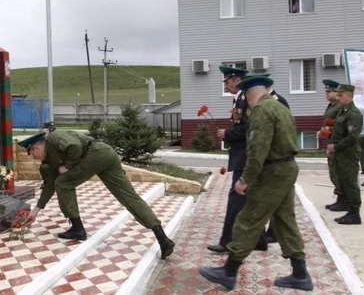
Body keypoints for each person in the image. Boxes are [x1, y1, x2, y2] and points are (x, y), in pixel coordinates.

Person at [199, 75, 313, 292]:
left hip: (272, 172)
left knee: (249, 218)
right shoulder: (280, 106)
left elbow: (258, 149)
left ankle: (229, 271)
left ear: (250, 95)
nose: (247, 103)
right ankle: (300, 274)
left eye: (246, 98)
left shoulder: (261, 111)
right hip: (287, 169)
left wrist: (245, 179)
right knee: (284, 220)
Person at [17, 129, 176, 260]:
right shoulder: (48, 162)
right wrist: (35, 211)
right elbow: (49, 186)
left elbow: (75, 147)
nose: (34, 158)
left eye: (32, 153)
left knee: (63, 183)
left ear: (36, 147)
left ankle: (78, 229)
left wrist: (68, 166)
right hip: (105, 156)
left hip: (97, 153)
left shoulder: (54, 138)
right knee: (128, 196)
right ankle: (163, 238)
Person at [208, 66, 268, 254]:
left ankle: (227, 241)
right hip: (242, 155)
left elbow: (248, 129)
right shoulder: (240, 99)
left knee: (236, 199)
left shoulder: (246, 99)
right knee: (249, 200)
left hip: (246, 156)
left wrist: (227, 133)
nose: (225, 86)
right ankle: (260, 240)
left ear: (236, 80)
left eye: (227, 82)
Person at [245, 72, 290, 244]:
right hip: (279, 164)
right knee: (284, 211)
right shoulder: (270, 105)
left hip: (273, 164)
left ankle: (233, 262)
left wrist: (248, 176)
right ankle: (297, 264)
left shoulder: (272, 105)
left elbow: (263, 143)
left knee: (262, 208)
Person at [327, 84, 364, 225]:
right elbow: (336, 130)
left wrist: (335, 147)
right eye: (338, 95)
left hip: (348, 155)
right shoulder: (342, 112)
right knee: (342, 182)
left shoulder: (354, 114)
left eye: (341, 95)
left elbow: (352, 137)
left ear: (349, 96)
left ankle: (355, 214)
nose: (338, 97)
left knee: (350, 184)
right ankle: (348, 210)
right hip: (339, 155)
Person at [320, 79, 346, 211]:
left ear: (337, 93)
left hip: (336, 144)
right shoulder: (331, 106)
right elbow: (329, 123)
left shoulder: (339, 107)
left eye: (329, 91)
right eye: (326, 91)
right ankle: (339, 198)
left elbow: (336, 127)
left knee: (338, 173)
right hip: (330, 142)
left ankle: (344, 200)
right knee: (334, 173)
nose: (326, 94)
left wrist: (325, 134)